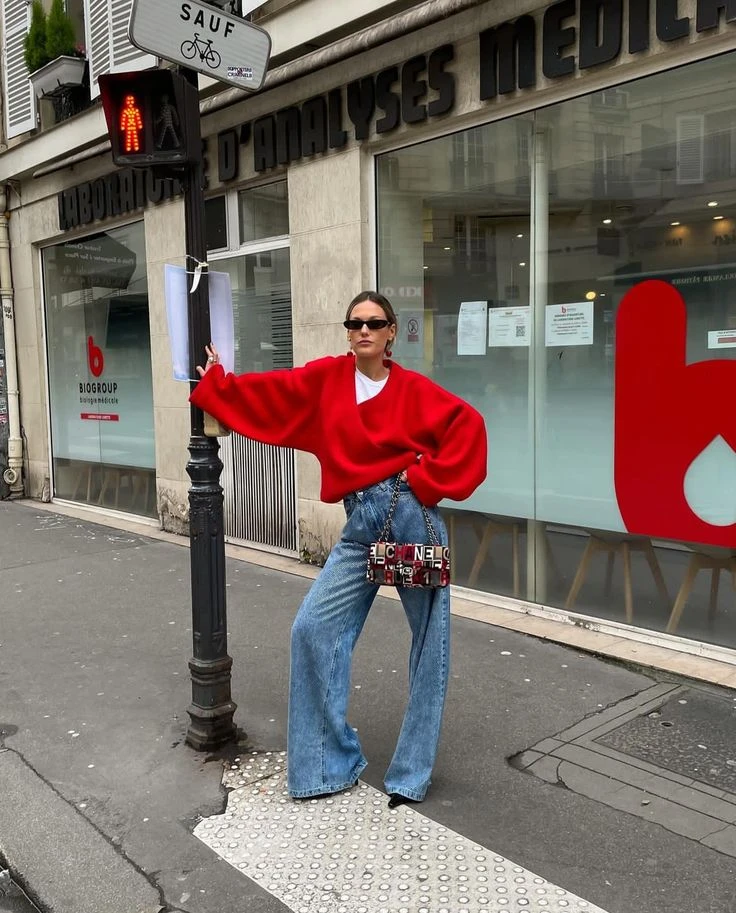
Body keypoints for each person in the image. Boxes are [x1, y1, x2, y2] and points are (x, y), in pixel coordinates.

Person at [190, 290, 487, 807]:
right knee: (313, 628)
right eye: (355, 323)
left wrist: (426, 481)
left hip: (411, 515)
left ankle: (411, 773)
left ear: (392, 332)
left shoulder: (415, 390)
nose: (364, 331)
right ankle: (327, 765)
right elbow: (270, 393)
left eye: (375, 323)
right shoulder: (326, 380)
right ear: (347, 332)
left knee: (429, 645)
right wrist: (219, 382)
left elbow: (470, 428)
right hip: (361, 525)